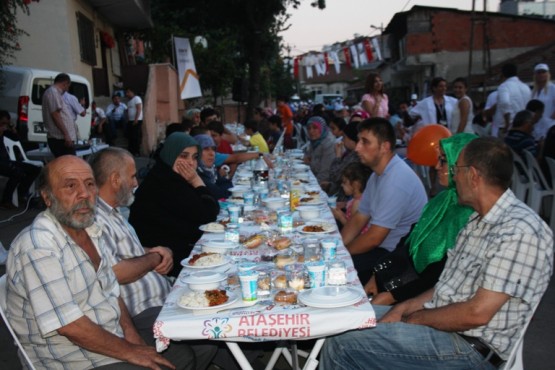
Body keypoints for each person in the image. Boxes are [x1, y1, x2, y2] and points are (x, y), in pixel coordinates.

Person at [320, 138, 554, 370]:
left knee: (343, 343)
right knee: (345, 318)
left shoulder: (519, 231)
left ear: (472, 175)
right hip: (442, 326)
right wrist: (403, 308)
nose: (452, 176)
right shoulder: (476, 220)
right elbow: (445, 285)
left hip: (470, 349)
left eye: (455, 169)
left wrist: (414, 319)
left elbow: (477, 313)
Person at [5, 156, 194, 369]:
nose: (84, 194)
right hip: (73, 359)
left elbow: (112, 293)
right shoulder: (38, 245)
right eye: (70, 186)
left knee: (191, 353)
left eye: (89, 184)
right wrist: (130, 352)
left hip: (110, 339)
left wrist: (134, 341)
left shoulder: (90, 229)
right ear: (47, 198)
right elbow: (71, 326)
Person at [364, 133, 478, 305]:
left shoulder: (469, 215)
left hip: (425, 301)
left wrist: (393, 295)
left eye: (444, 161)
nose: (437, 166)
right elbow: (410, 242)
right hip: (401, 281)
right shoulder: (442, 200)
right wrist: (377, 274)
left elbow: (437, 273)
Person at [341, 118, 427, 285]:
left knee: (336, 272)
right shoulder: (378, 174)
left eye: (365, 142)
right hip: (383, 248)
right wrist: (337, 248)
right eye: (358, 141)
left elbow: (374, 238)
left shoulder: (396, 180)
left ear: (385, 147)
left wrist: (340, 254)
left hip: (397, 257)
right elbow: (359, 217)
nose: (358, 147)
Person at [129, 132, 220, 277]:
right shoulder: (164, 183)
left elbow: (211, 206)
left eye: (195, 157)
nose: (190, 162)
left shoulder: (173, 178)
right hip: (164, 262)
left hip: (176, 249)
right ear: (170, 155)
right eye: (183, 156)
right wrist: (196, 180)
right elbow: (209, 214)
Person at [0, 110, 41, 209]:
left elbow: (16, 141)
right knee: (17, 172)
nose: (4, 126)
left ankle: (21, 193)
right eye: (2, 123)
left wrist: (13, 130)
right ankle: (6, 200)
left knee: (34, 169)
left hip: (6, 160)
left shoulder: (5, 132)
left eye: (6, 123)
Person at [323, 117, 361, 200]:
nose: (342, 141)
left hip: (343, 200)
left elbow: (335, 177)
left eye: (344, 137)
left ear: (352, 139)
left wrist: (338, 156)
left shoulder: (356, 157)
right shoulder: (350, 154)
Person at [41, 73, 77, 157]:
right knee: (69, 166)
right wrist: (66, 135)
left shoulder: (54, 92)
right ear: (65, 83)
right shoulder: (53, 92)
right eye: (68, 86)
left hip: (62, 138)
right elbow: (55, 115)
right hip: (60, 139)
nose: (67, 89)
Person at [330, 162, 372, 232]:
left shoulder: (357, 203)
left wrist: (340, 217)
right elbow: (350, 220)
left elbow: (353, 230)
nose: (341, 185)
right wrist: (340, 212)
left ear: (356, 184)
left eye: (344, 182)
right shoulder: (358, 199)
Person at [193, 134, 233, 200]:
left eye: (213, 149)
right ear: (196, 153)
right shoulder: (197, 173)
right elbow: (220, 194)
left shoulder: (212, 170)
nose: (211, 153)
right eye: (206, 149)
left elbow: (229, 186)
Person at [497, 63, 531, 136]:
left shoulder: (504, 86)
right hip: (526, 125)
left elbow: (505, 102)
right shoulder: (526, 87)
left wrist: (507, 124)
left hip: (511, 127)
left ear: (503, 74)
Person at [303, 115, 336, 184]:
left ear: (322, 128)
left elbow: (325, 173)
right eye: (309, 128)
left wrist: (310, 185)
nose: (311, 131)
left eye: (315, 128)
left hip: (323, 184)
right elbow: (307, 159)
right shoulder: (315, 141)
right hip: (314, 177)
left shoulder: (329, 144)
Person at [531, 63, 555, 141]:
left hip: (550, 125)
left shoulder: (553, 88)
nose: (541, 74)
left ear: (547, 74)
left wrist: (550, 120)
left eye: (543, 72)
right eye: (539, 72)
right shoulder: (533, 91)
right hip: (536, 126)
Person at [125, 87, 143, 156]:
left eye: (128, 92)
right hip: (130, 120)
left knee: (136, 136)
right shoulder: (129, 101)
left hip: (137, 120)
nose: (127, 94)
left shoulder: (137, 98)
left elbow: (139, 109)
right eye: (126, 92)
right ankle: (131, 150)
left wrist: (136, 119)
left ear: (132, 92)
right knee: (131, 136)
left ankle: (137, 151)